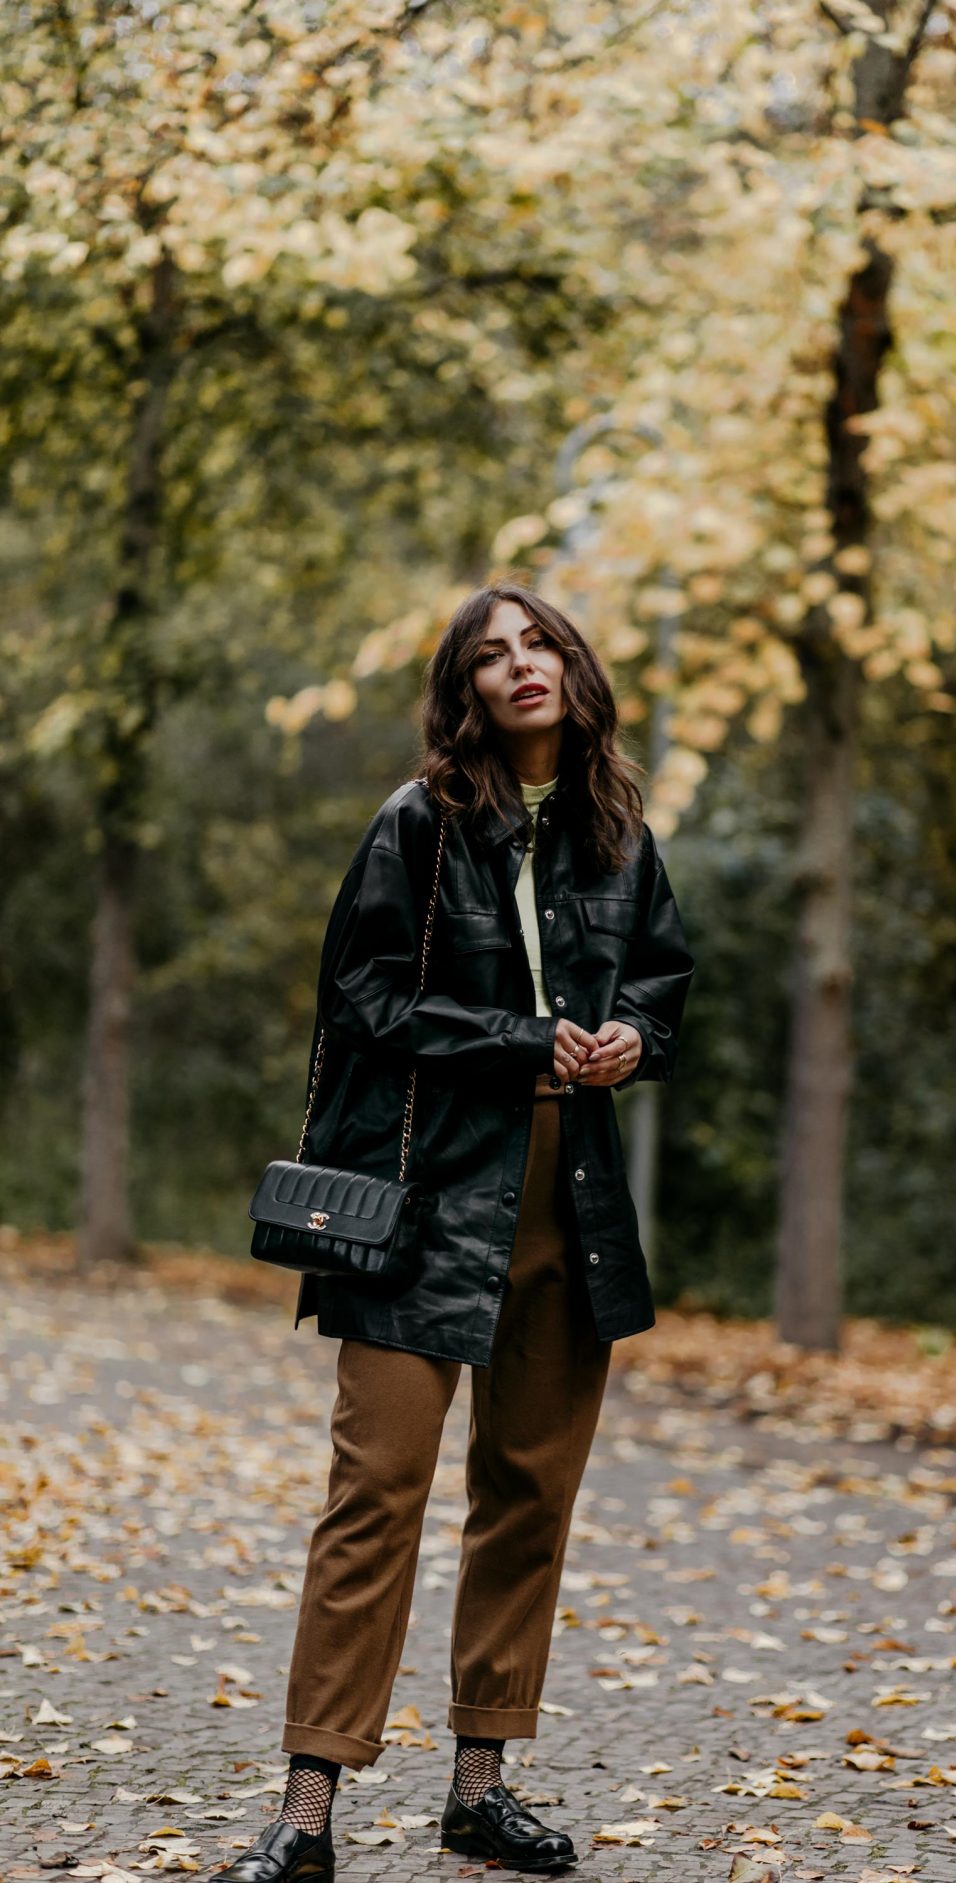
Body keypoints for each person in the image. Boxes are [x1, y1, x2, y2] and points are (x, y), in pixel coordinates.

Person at [220, 583, 695, 1882]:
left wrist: (631, 1039)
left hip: (568, 1192)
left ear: (576, 670)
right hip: (430, 1188)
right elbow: (362, 992)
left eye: (540, 642)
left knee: (528, 1496)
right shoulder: (418, 823)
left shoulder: (614, 828)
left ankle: (480, 1789)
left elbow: (664, 978)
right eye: (492, 655)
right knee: (375, 1492)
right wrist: (515, 1039)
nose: (521, 665)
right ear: (464, 691)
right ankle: (308, 1807)